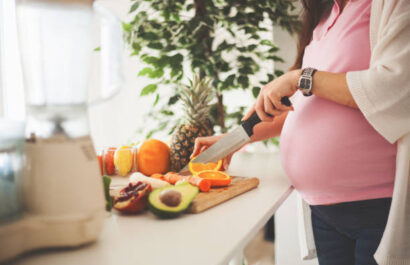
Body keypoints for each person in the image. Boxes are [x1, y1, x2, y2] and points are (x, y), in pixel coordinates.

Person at [192, 0, 410, 264]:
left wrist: (300, 78)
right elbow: (303, 105)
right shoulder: (325, 14)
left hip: (376, 208)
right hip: (324, 213)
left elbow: (392, 89)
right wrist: (231, 140)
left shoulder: (391, 5)